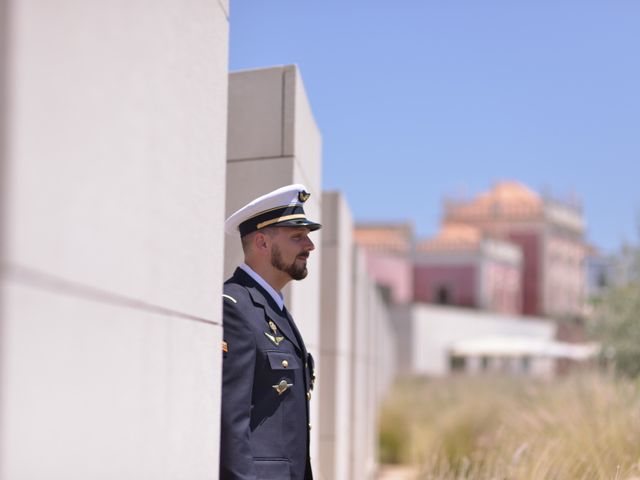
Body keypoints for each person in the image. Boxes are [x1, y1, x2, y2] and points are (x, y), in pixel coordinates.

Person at [220, 184, 321, 480]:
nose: (310, 246)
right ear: (262, 243)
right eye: (297, 237)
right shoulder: (235, 307)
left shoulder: (273, 309)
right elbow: (230, 424)